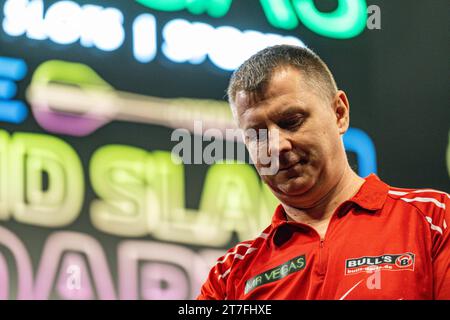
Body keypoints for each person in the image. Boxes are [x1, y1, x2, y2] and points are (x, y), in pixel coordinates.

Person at [197, 45, 449, 300]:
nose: (277, 146)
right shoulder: (228, 277)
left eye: (291, 121)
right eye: (257, 134)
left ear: (339, 113)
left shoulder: (434, 219)